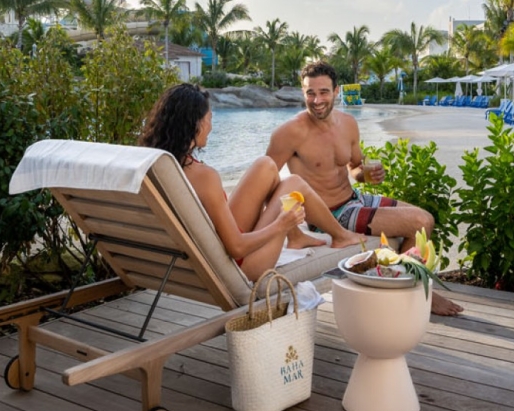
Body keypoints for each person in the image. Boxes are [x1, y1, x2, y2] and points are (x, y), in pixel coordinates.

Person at [266, 60, 463, 316]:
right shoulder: (289, 132)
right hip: (329, 214)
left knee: (425, 220)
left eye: (324, 92)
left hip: (354, 198)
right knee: (418, 220)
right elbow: (267, 181)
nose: (317, 100)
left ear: (337, 91)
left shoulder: (348, 124)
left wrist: (368, 176)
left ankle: (402, 285)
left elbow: (355, 169)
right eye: (310, 93)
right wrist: (291, 231)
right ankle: (417, 292)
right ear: (302, 92)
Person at [138, 83, 362, 281]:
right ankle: (340, 235)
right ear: (194, 124)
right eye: (209, 120)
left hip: (195, 258)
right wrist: (281, 225)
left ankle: (297, 236)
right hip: (238, 266)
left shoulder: (153, 165)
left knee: (265, 165)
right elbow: (236, 248)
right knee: (293, 183)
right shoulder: (203, 176)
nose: (211, 127)